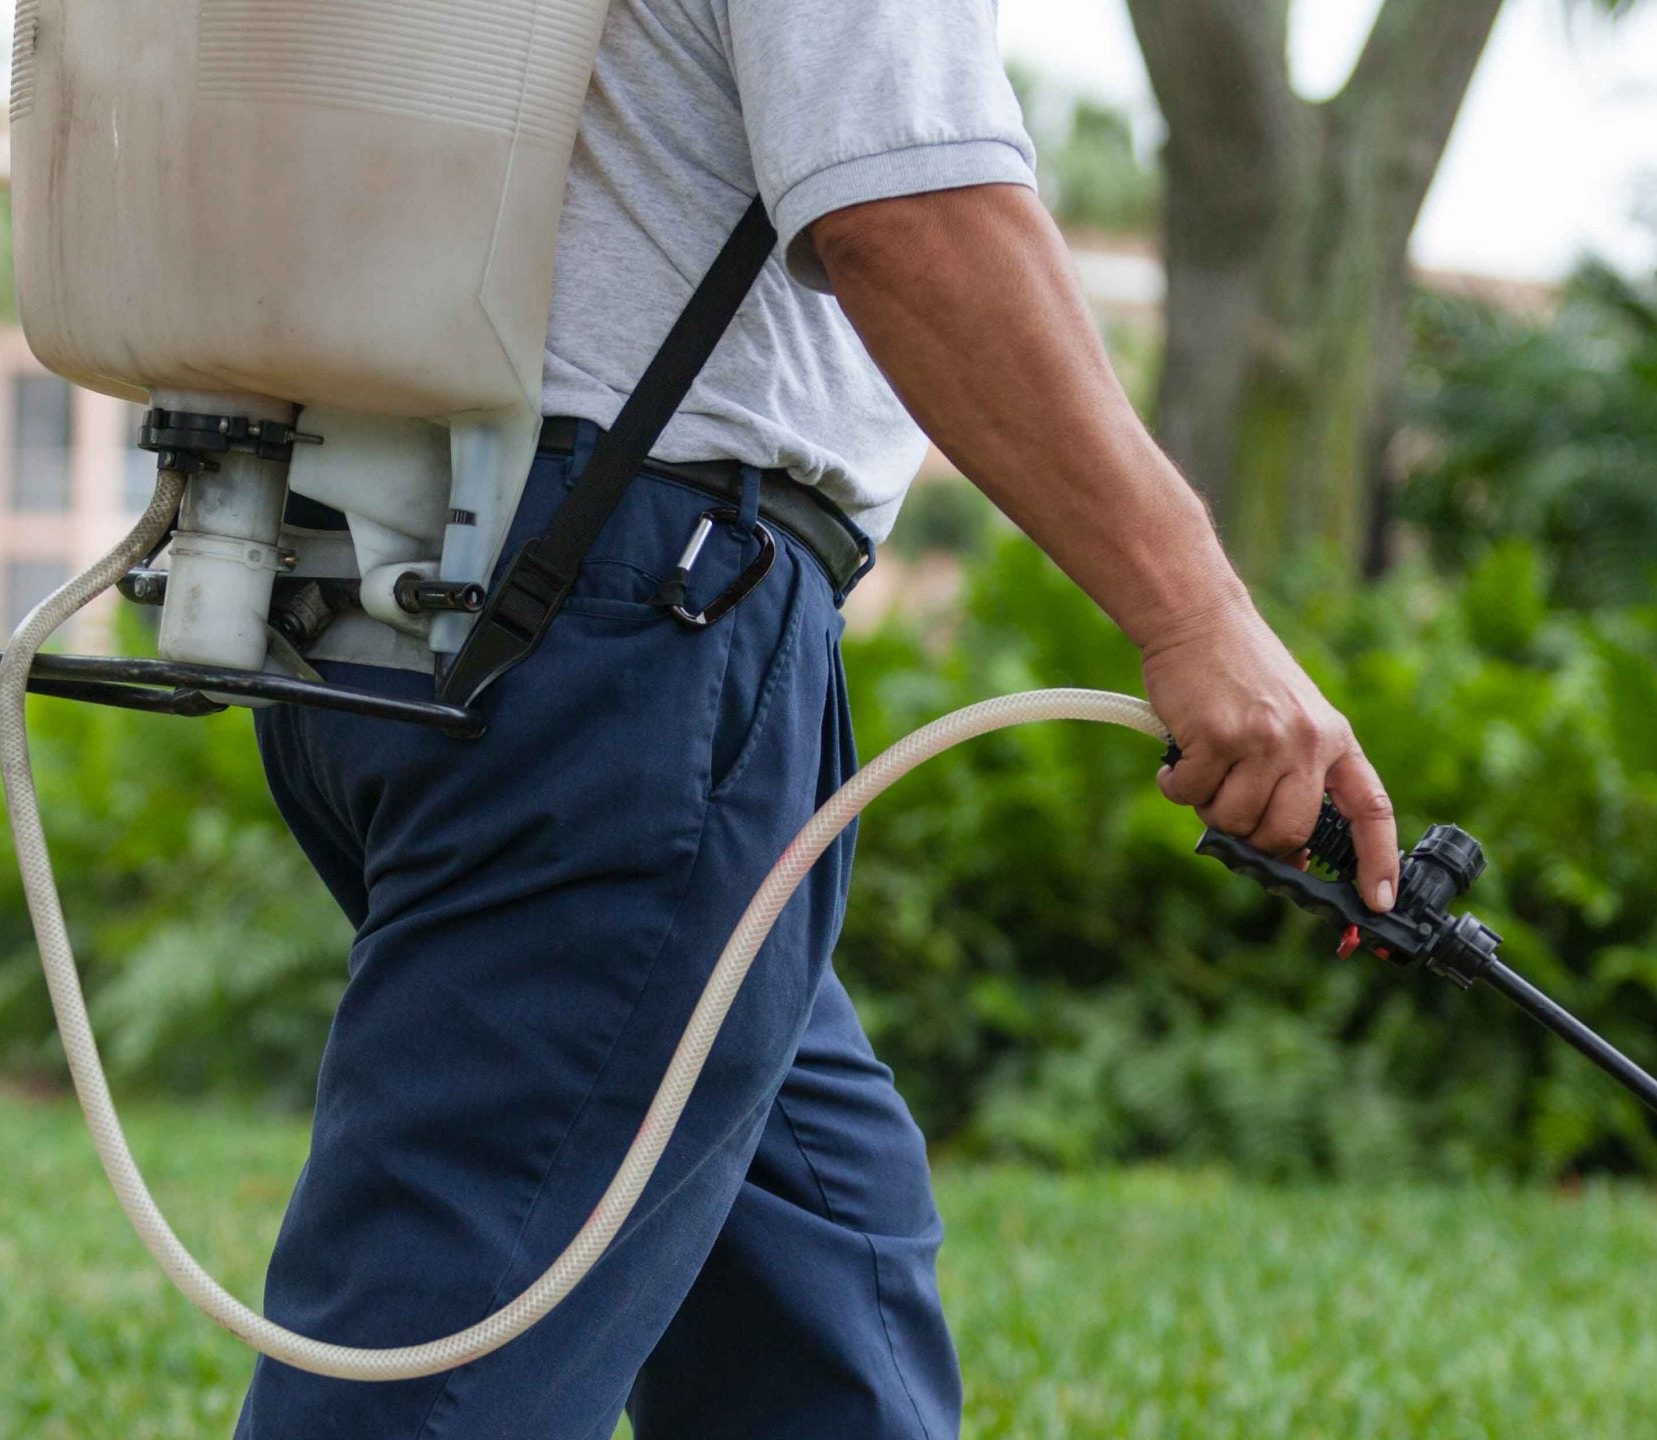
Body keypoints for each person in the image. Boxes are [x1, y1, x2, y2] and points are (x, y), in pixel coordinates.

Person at [236, 1, 1400, 1436]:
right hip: (616, 620)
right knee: (453, 1340)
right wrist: (1197, 619)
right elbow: (911, 217)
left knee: (816, 1283)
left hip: (380, 586)